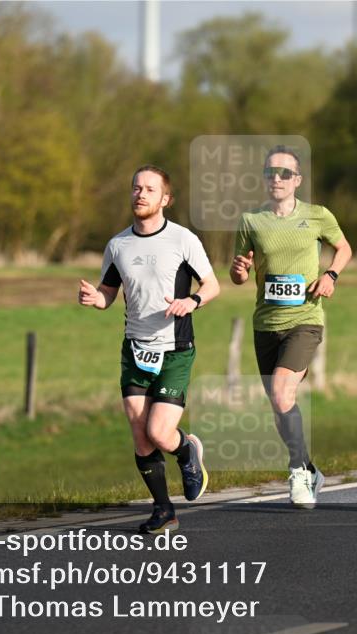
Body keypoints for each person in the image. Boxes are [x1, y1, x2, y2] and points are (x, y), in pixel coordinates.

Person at [79, 165, 220, 533]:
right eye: (136, 188)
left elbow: (212, 285)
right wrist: (97, 298)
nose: (140, 194)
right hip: (135, 347)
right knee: (139, 432)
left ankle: (187, 450)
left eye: (149, 189)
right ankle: (163, 510)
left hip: (175, 348)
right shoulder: (118, 245)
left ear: (165, 199)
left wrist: (193, 301)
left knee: (159, 432)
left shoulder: (183, 239)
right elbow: (109, 291)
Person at [229, 145, 352, 508]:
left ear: (297, 180)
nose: (277, 179)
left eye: (285, 173)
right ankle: (311, 468)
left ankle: (297, 471)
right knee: (280, 404)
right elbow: (238, 273)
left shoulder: (317, 216)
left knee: (283, 394)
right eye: (270, 173)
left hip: (305, 319)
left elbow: (343, 247)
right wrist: (238, 272)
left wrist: (331, 274)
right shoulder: (251, 221)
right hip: (266, 323)